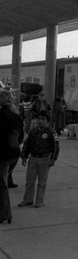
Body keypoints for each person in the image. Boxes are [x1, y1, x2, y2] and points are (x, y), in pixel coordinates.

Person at [17, 110, 59, 208]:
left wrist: (53, 159)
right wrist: (24, 156)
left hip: (45, 159)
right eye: (39, 119)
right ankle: (27, 200)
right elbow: (27, 144)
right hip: (33, 159)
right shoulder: (33, 131)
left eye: (43, 119)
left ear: (47, 121)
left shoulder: (51, 132)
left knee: (42, 181)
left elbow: (56, 146)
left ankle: (39, 201)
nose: (40, 121)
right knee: (29, 181)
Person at [0, 90, 24, 223]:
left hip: (3, 154)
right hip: (14, 154)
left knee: (1, 184)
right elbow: (21, 137)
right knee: (3, 182)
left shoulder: (1, 116)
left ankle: (5, 214)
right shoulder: (16, 117)